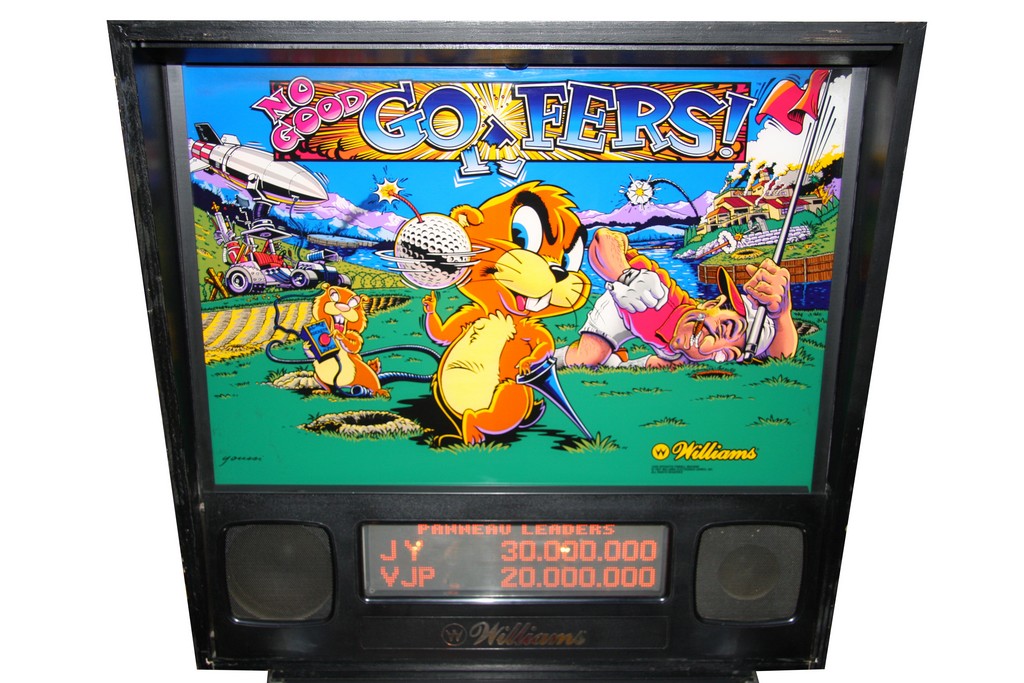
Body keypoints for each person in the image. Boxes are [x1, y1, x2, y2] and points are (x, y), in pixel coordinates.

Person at [556, 227, 798, 368]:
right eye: (723, 324)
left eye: (727, 338)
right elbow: (605, 239)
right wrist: (626, 275)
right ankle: (543, 357)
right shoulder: (657, 292)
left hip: (666, 348)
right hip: (623, 305)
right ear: (710, 304)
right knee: (587, 358)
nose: (711, 334)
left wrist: (782, 315)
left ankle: (618, 363)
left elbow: (781, 356)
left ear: (727, 355)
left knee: (666, 364)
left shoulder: (697, 353)